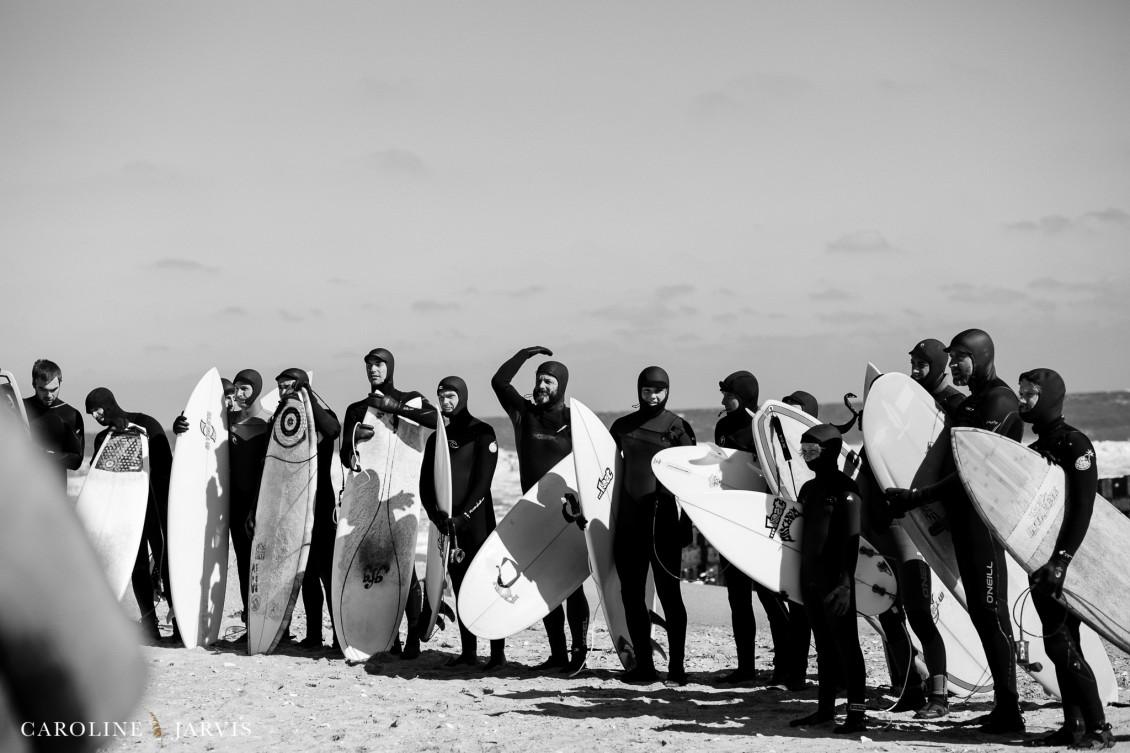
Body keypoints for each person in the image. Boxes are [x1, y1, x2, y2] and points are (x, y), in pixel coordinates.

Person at [885, 328, 1024, 734]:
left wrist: (918, 497)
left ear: (980, 357)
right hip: (961, 520)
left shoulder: (999, 401)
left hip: (983, 522)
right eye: (953, 357)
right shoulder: (974, 402)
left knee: (991, 612)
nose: (955, 364)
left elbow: (973, 471)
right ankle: (1004, 706)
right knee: (982, 614)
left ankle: (1010, 710)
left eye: (961, 356)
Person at [1016, 369, 1113, 750]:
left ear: (1050, 397)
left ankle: (1099, 728)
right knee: (1059, 641)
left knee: (1060, 643)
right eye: (1021, 392)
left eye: (1030, 394)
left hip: (1066, 561)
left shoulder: (1076, 444)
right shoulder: (1038, 448)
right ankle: (1073, 725)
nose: (1023, 400)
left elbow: (1083, 508)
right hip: (1041, 560)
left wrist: (1061, 560)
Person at [491, 346, 589, 672]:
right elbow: (499, 382)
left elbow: (590, 467)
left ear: (561, 385)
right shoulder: (524, 414)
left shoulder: (573, 420)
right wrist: (523, 354)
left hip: (567, 515)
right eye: (539, 379)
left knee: (572, 586)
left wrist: (585, 507)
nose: (542, 385)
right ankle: (558, 654)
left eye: (549, 381)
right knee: (544, 586)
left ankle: (578, 653)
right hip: (532, 513)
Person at [339, 347, 439, 659]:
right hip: (369, 501)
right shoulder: (357, 410)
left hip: (403, 496)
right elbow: (345, 456)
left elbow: (436, 420)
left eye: (379, 364)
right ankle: (388, 637)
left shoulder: (412, 400)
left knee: (404, 566)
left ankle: (413, 639)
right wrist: (354, 440)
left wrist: (396, 407)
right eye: (369, 365)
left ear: (390, 367)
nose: (373, 369)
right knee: (374, 567)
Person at [610, 366, 695, 686]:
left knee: (670, 595)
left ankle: (677, 668)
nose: (653, 396)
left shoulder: (677, 428)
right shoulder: (622, 427)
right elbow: (603, 475)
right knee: (631, 596)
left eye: (658, 390)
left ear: (667, 391)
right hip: (628, 523)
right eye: (647, 390)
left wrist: (687, 522)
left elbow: (692, 480)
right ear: (639, 390)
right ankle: (644, 666)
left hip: (663, 524)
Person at [419, 376, 505, 670]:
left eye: (451, 396)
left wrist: (463, 516)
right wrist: (435, 516)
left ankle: (497, 654)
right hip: (448, 525)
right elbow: (426, 484)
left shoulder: (482, 432)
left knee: (487, 587)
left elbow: (483, 482)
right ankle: (469, 652)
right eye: (441, 396)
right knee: (459, 585)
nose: (445, 402)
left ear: (463, 397)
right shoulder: (436, 439)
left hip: (477, 522)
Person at [713, 370, 791, 686]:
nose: (723, 401)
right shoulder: (722, 427)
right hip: (730, 522)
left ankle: (784, 666)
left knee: (770, 597)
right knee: (738, 598)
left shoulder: (763, 427)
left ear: (743, 396)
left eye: (729, 396)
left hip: (759, 523)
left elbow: (779, 476)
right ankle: (745, 667)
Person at [789, 423, 868, 734]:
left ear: (831, 451)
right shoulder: (808, 489)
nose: (808, 457)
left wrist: (846, 584)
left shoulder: (846, 490)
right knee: (822, 645)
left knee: (847, 645)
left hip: (836, 581)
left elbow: (852, 541)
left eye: (813, 450)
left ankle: (857, 714)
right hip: (809, 578)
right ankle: (824, 711)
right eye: (804, 451)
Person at [86, 388, 176, 644]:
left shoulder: (146, 423)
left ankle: (180, 625)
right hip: (126, 512)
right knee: (136, 567)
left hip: (155, 507)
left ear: (108, 404)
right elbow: (99, 477)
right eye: (91, 413)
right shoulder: (103, 437)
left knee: (166, 565)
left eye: (97, 410)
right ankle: (150, 626)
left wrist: (132, 435)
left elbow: (165, 466)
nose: (95, 416)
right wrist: (115, 441)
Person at [273, 368, 341, 651]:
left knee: (328, 573)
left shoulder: (321, 417)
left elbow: (334, 430)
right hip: (294, 506)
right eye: (280, 387)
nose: (283, 391)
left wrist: (308, 395)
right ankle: (314, 635)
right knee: (307, 573)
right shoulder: (281, 420)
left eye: (289, 385)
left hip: (321, 503)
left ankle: (340, 638)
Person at [22, 359, 84, 489]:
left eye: (54, 389)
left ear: (60, 383)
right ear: (34, 384)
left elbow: (76, 461)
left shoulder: (70, 415)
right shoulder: (20, 407)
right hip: (21, 489)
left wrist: (44, 453)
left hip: (54, 492)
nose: (49, 395)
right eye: (43, 389)